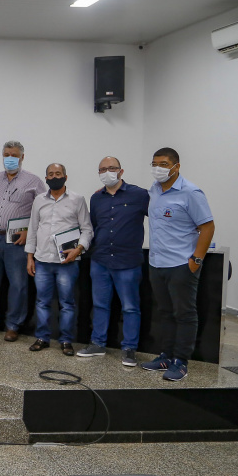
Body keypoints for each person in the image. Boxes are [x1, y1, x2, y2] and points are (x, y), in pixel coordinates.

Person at [140, 147, 214, 382]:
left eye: (163, 164)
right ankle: (166, 356)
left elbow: (207, 227)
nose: (158, 168)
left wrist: (196, 260)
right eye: (154, 164)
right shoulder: (154, 190)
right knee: (165, 312)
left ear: (176, 166)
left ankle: (181, 361)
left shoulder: (191, 192)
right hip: (157, 263)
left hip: (181, 264)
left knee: (184, 314)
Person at [77, 156, 149, 367]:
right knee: (100, 305)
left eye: (111, 168)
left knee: (130, 307)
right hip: (100, 260)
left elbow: (159, 217)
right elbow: (93, 226)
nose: (107, 172)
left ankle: (129, 348)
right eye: (102, 169)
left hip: (128, 261)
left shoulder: (139, 195)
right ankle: (98, 343)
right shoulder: (96, 198)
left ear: (121, 171)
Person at [0, 140, 46, 342]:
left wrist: (29, 232)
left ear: (22, 157)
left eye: (14, 155)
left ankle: (13, 325)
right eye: (6, 155)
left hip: (16, 241)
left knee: (17, 285)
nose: (10, 159)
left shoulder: (33, 181)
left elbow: (44, 210)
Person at [25, 163, 93, 356]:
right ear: (46, 178)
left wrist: (78, 250)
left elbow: (87, 229)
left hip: (67, 263)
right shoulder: (39, 200)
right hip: (42, 260)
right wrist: (30, 257)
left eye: (58, 173)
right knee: (42, 302)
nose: (54, 177)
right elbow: (33, 229)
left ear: (65, 176)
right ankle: (42, 337)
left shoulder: (77, 199)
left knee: (67, 304)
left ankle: (66, 340)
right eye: (51, 174)